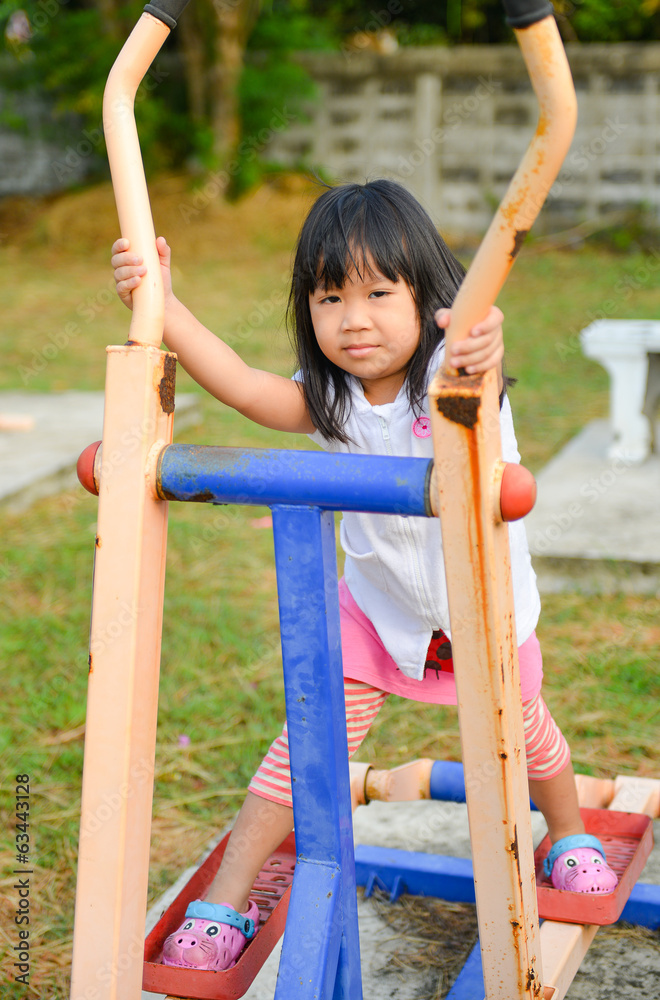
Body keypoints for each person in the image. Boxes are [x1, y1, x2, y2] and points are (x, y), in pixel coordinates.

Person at [111, 179, 618, 973]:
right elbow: (246, 389)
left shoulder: (447, 382)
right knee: (300, 750)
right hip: (376, 617)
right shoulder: (336, 400)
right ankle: (229, 899)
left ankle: (571, 832)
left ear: (428, 298)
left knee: (529, 738)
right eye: (329, 296)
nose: (354, 318)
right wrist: (163, 306)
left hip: (482, 614)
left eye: (381, 292)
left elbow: (476, 355)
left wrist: (480, 342)